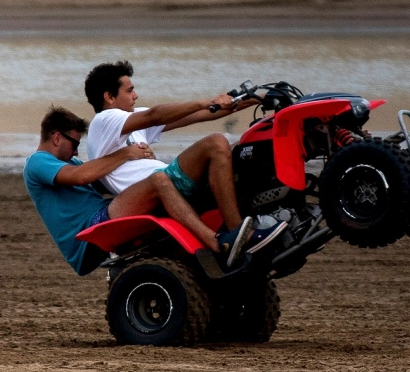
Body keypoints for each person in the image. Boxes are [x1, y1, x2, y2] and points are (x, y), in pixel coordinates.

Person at [24, 105, 255, 276]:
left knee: (165, 181)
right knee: (158, 181)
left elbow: (103, 179)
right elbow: (82, 176)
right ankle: (217, 242)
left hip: (103, 214)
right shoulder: (37, 162)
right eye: (74, 144)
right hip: (88, 232)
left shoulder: (71, 163)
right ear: (56, 137)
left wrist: (142, 160)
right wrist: (126, 153)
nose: (76, 151)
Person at [83, 60, 286, 254]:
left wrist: (262, 97)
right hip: (150, 190)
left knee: (243, 147)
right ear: (109, 97)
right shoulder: (103, 121)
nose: (135, 95)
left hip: (167, 180)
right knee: (216, 143)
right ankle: (236, 232)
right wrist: (206, 102)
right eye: (129, 90)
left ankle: (269, 214)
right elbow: (155, 115)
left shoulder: (131, 121)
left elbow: (202, 114)